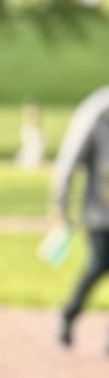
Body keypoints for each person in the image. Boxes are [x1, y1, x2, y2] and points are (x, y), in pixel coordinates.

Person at [51, 84, 109, 348]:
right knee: (99, 264)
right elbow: (68, 163)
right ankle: (69, 313)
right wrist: (60, 206)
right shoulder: (97, 112)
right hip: (102, 213)